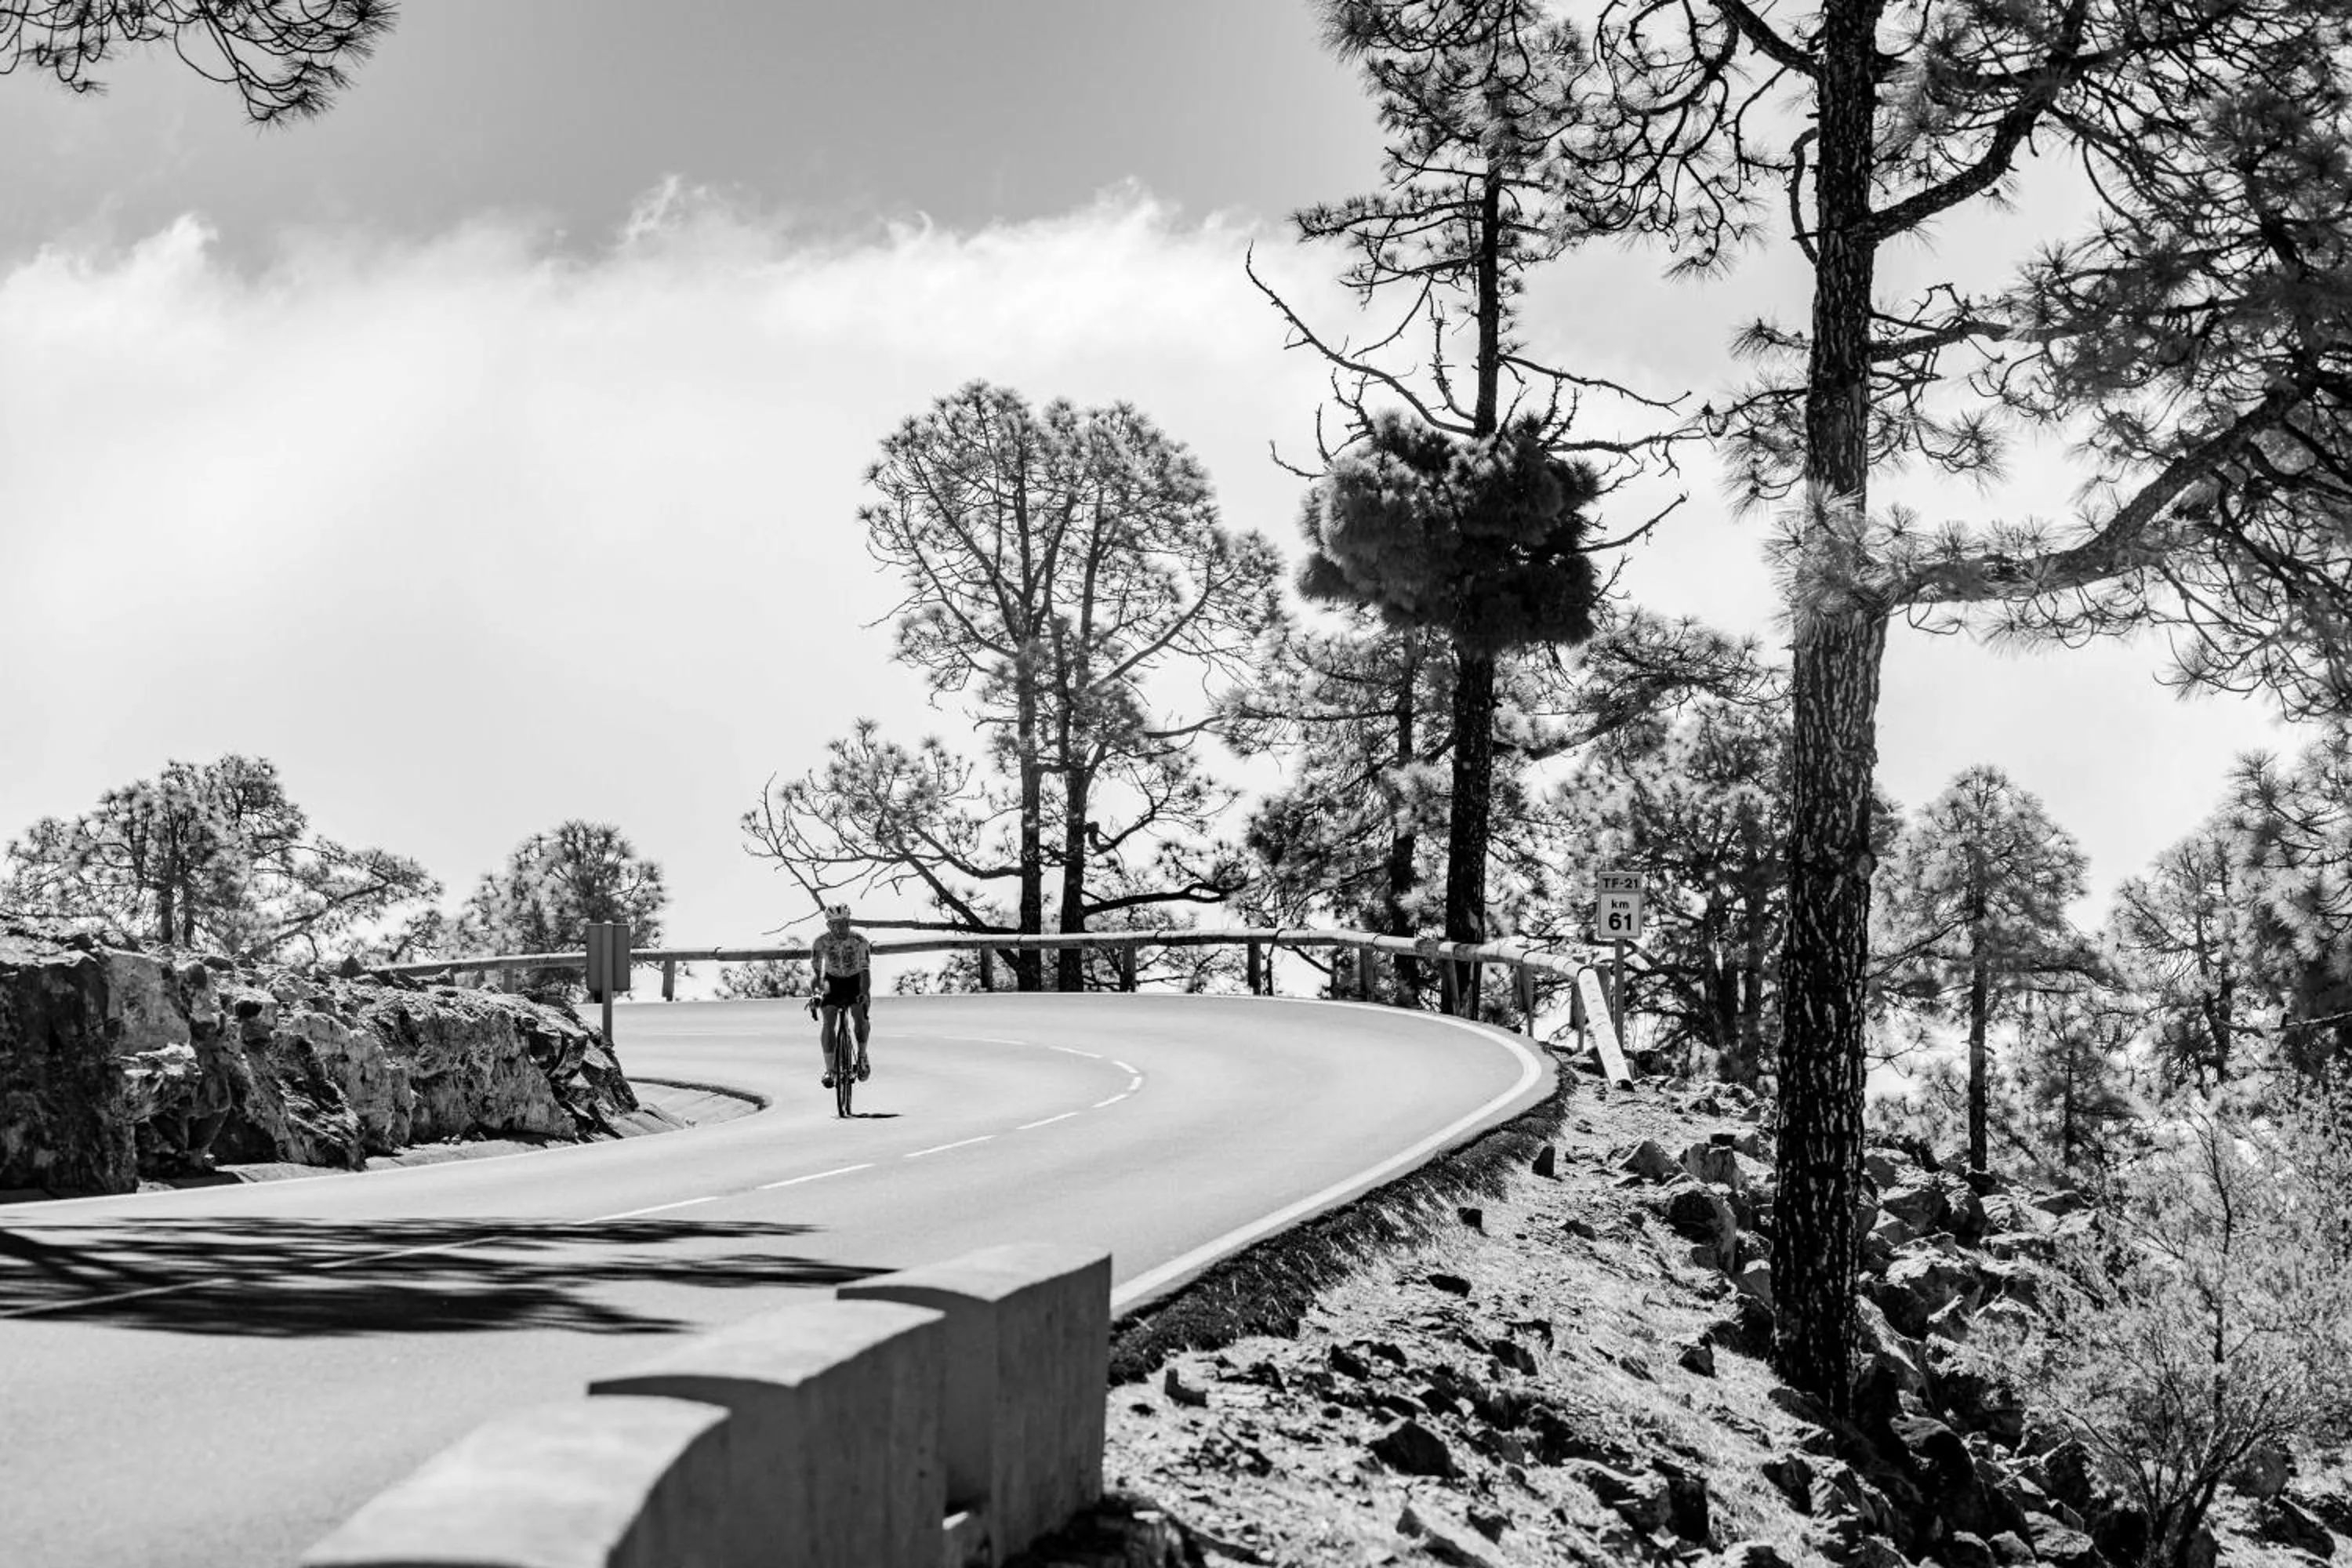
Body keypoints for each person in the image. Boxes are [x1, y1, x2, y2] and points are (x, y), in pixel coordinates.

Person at [808, 903, 873, 1087]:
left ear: (849, 922)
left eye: (844, 923)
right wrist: (816, 993)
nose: (840, 929)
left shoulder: (860, 941)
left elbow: (865, 972)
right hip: (832, 981)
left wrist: (864, 993)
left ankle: (862, 1057)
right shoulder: (820, 942)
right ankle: (830, 1069)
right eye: (835, 925)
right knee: (828, 1021)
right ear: (828, 925)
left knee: (860, 1016)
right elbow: (817, 973)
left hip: (855, 980)